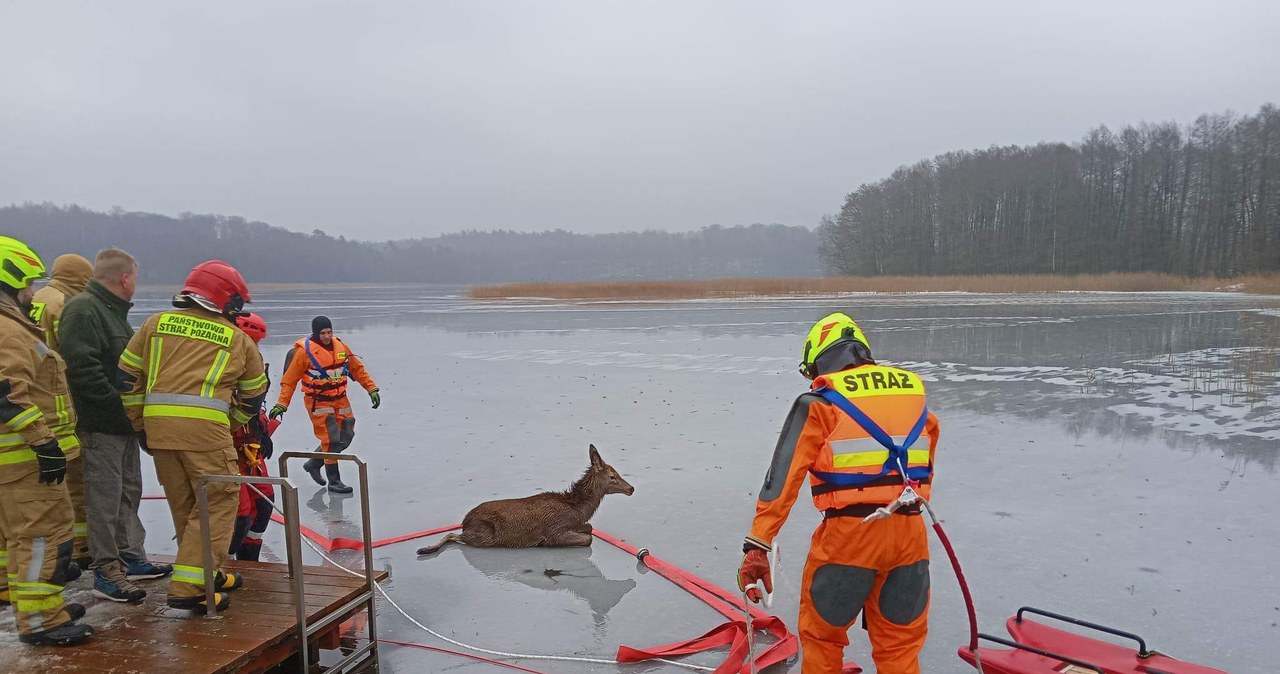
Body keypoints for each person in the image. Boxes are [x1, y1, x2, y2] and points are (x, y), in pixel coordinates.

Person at [737, 312, 940, 674]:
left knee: (822, 639)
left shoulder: (819, 402)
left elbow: (783, 478)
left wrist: (758, 544)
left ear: (820, 359)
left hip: (849, 538)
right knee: (900, 650)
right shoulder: (913, 394)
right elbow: (925, 459)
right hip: (911, 537)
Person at [119, 260, 268, 612]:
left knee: (186, 506)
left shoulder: (155, 325)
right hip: (207, 435)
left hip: (159, 432)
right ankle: (189, 586)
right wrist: (230, 422)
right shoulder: (236, 338)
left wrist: (140, 422)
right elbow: (253, 393)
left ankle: (207, 572)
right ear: (225, 300)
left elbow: (126, 379)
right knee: (216, 505)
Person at [59, 248, 170, 603]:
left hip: (123, 424)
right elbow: (82, 369)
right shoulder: (83, 309)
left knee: (129, 492)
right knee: (104, 499)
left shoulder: (113, 312)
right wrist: (116, 405)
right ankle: (107, 571)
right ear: (125, 278)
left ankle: (131, 556)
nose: (136, 283)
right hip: (101, 425)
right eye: (134, 276)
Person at [0, 236, 95, 646]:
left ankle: (30, 605)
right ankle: (42, 620)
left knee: (17, 538)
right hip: (27, 460)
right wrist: (44, 444)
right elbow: (7, 393)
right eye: (28, 284)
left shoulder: (13, 326)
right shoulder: (8, 331)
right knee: (46, 536)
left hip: (15, 460)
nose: (33, 292)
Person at [27, 254, 94, 569]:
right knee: (76, 482)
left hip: (30, 407)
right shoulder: (67, 304)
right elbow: (73, 358)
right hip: (61, 405)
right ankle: (80, 547)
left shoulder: (34, 298)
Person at [270, 316, 380, 494]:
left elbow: (357, 369)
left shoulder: (341, 346)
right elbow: (289, 381)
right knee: (330, 439)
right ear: (315, 333)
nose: (327, 336)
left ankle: (314, 463)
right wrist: (281, 404)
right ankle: (334, 481)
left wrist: (371, 388)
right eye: (323, 333)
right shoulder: (304, 353)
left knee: (347, 434)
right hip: (318, 401)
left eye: (329, 332)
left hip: (341, 398)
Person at [228, 312, 277, 561]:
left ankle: (250, 563)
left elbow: (252, 402)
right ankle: (215, 566)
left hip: (252, 449)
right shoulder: (220, 364)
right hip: (229, 451)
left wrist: (263, 431)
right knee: (240, 516)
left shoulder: (250, 360)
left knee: (265, 502)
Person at [29, 254, 92, 352]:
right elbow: (75, 349)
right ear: (82, 277)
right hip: (58, 364)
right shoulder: (66, 304)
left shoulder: (34, 296)